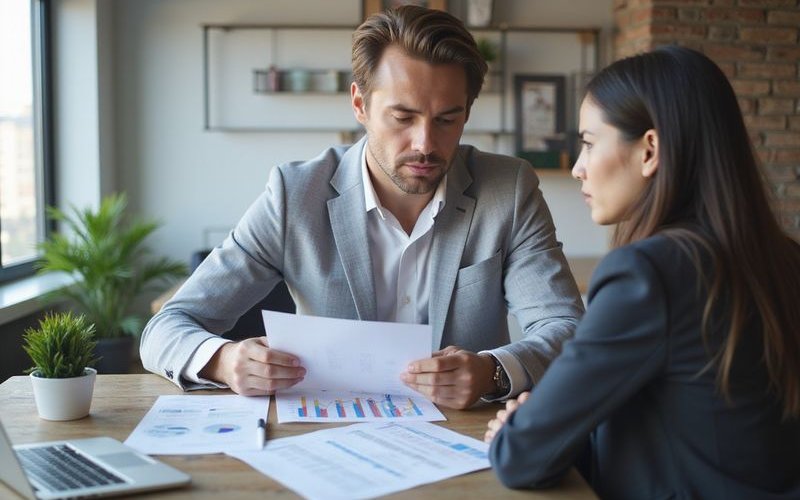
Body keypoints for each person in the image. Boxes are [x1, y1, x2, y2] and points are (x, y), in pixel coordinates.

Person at [140, 5, 584, 410]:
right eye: (403, 117)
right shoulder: (294, 195)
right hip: (329, 436)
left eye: (446, 119)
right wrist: (224, 360)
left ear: (466, 113)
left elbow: (566, 328)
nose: (425, 144)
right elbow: (166, 328)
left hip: (469, 435)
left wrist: (493, 371)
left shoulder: (508, 189)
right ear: (360, 104)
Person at [484, 45, 800, 498]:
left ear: (649, 150)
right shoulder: (784, 259)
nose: (577, 168)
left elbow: (521, 457)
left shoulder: (649, 274)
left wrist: (520, 428)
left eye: (590, 143)